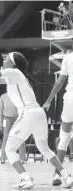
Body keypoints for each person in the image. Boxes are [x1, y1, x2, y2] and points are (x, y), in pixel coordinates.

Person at [0, 46, 73, 189]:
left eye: (6, 59)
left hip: (27, 113)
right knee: (45, 149)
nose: (3, 61)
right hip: (39, 113)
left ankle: (26, 178)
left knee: (9, 150)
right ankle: (66, 175)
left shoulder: (13, 71)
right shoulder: (15, 74)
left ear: (12, 63)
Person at [43, 51, 73, 186]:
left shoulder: (68, 57)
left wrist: (49, 100)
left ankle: (57, 174)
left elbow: (60, 82)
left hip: (70, 100)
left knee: (64, 137)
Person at [0, 90, 26, 164]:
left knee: (20, 137)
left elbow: (23, 108)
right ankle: (3, 158)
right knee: (5, 137)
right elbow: (0, 110)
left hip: (18, 118)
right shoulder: (3, 96)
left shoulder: (19, 95)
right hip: (7, 118)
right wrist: (0, 122)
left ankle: (22, 159)